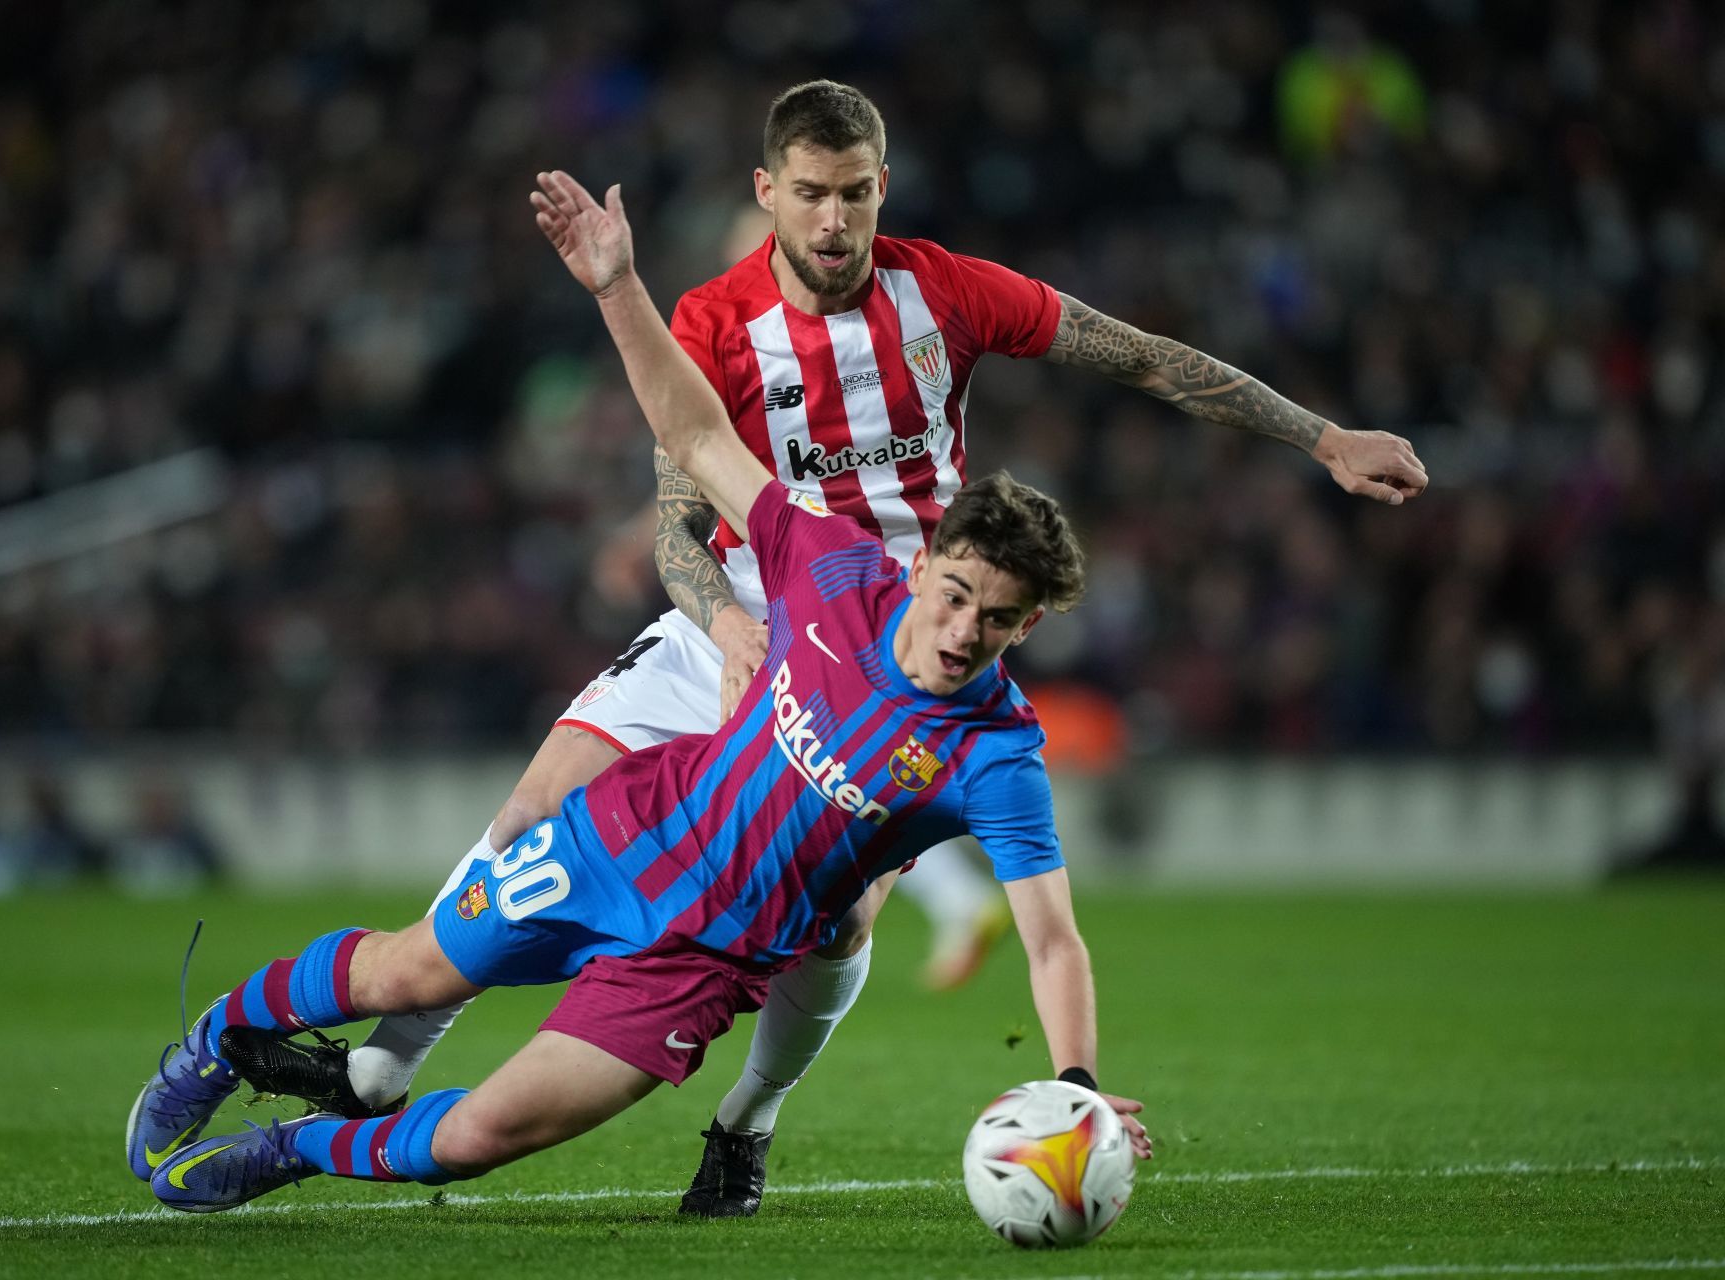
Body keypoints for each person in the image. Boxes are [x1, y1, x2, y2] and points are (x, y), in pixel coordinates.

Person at [237, 79, 1428, 1218]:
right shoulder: (711, 319)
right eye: (812, 191)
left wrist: (1322, 435)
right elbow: (675, 517)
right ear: (768, 190)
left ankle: (748, 1118)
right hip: (752, 610)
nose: (835, 217)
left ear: (882, 187)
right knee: (533, 808)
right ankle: (383, 1072)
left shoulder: (948, 294)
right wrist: (722, 618)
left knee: (841, 920)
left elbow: (1146, 354)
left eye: (856, 191)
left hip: (906, 645)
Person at [128, 169, 1153, 1212]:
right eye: (957, 596)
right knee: (403, 973)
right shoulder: (835, 567)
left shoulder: (997, 752)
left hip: (699, 966)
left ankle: (299, 1148)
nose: (963, 630)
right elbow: (701, 439)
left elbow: (1053, 936)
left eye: (996, 619)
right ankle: (215, 1039)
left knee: (482, 1133)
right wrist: (617, 286)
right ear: (928, 562)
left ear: (1031, 626)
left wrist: (1075, 1083)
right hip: (616, 845)